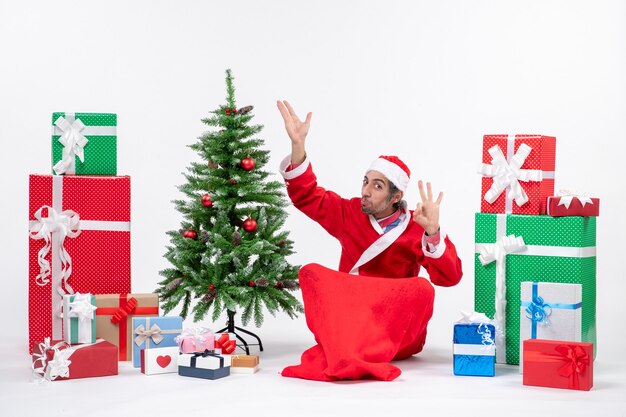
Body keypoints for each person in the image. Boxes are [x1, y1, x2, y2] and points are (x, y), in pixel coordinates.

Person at [276, 100, 463, 381]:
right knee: (311, 272)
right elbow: (308, 195)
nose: (365, 191)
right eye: (366, 182)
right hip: (353, 316)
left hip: (392, 327)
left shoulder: (416, 225)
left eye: (377, 186)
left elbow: (450, 278)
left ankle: (359, 347)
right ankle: (353, 345)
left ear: (396, 196)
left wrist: (433, 233)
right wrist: (298, 145)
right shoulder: (349, 212)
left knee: (423, 288)